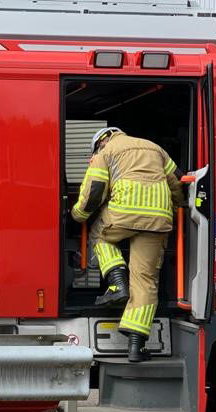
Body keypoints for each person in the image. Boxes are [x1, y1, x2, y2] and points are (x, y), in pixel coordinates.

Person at [71, 127, 184, 362]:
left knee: (100, 236)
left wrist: (77, 215)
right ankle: (136, 345)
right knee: (145, 279)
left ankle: (117, 284)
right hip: (158, 220)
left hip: (124, 214)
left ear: (100, 142)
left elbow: (94, 192)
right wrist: (174, 209)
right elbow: (177, 182)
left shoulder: (106, 152)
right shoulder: (156, 149)